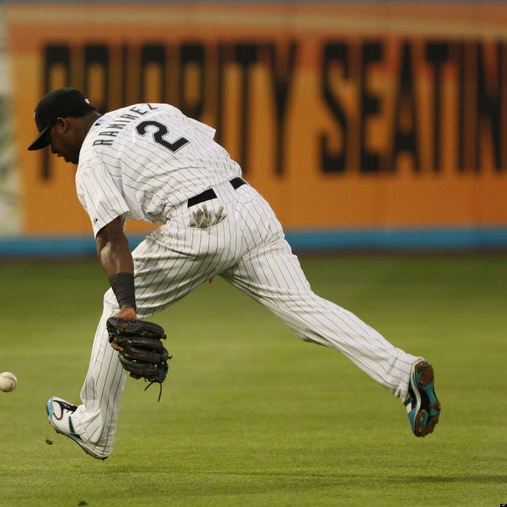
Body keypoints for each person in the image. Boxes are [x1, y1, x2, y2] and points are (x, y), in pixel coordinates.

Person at [27, 87, 441, 460]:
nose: (54, 151)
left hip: (200, 220)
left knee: (114, 304)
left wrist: (130, 307)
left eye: (50, 139)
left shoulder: (94, 155)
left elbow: (111, 240)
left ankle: (93, 425)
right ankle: (403, 372)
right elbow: (199, 152)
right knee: (305, 308)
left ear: (64, 124)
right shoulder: (150, 108)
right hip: (248, 204)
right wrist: (217, 251)